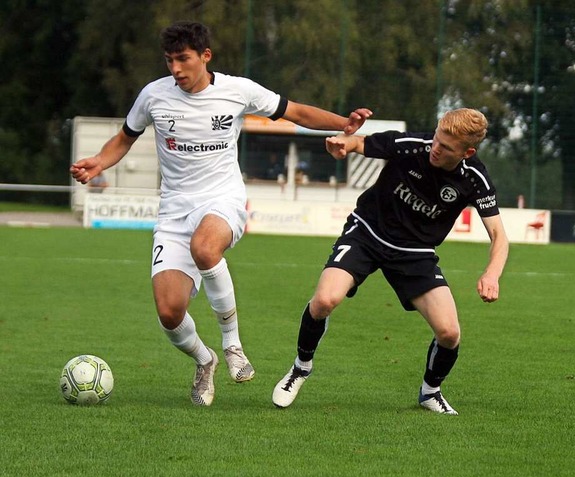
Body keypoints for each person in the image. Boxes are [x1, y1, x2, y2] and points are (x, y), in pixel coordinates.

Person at [70, 21, 372, 407]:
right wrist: (99, 161)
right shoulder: (153, 96)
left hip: (222, 198)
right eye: (169, 60)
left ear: (205, 56)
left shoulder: (238, 90)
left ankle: (232, 345)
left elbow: (294, 111)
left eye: (183, 59)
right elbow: (125, 137)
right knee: (169, 312)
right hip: (174, 210)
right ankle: (205, 359)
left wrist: (343, 124)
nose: (176, 69)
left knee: (206, 248)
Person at [272, 108, 509, 415]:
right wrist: (342, 144)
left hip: (415, 253)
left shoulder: (475, 179)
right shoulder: (413, 144)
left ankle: (430, 392)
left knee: (449, 333)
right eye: (437, 138)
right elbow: (360, 143)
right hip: (367, 233)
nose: (435, 148)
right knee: (325, 300)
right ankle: (300, 368)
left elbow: (499, 236)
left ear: (468, 152)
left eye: (447, 147)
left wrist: (492, 274)